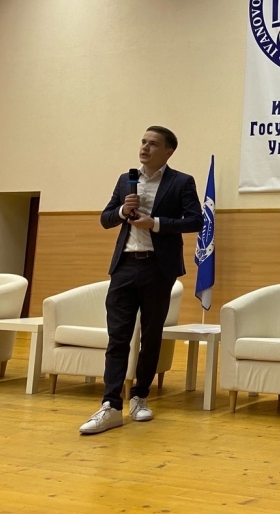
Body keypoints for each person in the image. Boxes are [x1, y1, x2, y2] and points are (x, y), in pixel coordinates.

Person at [79, 126, 202, 434]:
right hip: (124, 266)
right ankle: (111, 405)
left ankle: (140, 397)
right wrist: (123, 210)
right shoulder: (126, 179)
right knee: (117, 337)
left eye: (153, 144)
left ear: (168, 151)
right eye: (143, 142)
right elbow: (106, 218)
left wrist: (155, 223)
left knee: (151, 335)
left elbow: (195, 220)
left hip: (158, 269)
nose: (145, 147)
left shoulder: (181, 181)